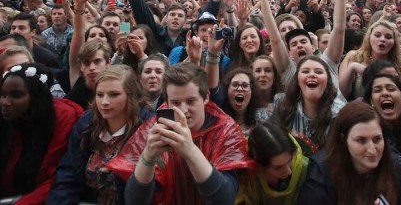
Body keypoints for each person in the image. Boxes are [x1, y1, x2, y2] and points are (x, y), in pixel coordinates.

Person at [107, 62, 253, 204]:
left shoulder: (225, 130)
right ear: (167, 101)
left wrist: (190, 151)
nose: (183, 110)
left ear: (206, 97)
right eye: (175, 103)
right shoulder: (154, 129)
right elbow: (135, 201)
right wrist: (148, 157)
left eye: (190, 101)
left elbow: (224, 199)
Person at [47, 65, 152, 204]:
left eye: (114, 94)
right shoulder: (86, 124)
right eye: (100, 94)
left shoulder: (147, 127)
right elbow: (69, 175)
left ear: (131, 95)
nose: (105, 102)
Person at [298, 101, 401, 204]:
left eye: (377, 139)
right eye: (361, 140)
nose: (372, 150)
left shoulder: (397, 166)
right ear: (344, 140)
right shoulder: (322, 171)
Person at [0, 63, 82, 203]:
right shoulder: (6, 118)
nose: (5, 102)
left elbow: (60, 178)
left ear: (36, 96)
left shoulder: (63, 118)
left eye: (16, 95)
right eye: (3, 95)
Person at [273, 56, 343, 155]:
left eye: (318, 72)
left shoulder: (340, 113)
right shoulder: (281, 104)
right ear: (297, 80)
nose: (312, 75)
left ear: (328, 81)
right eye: (305, 71)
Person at [236, 121, 309, 205]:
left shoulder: (305, 171)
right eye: (278, 168)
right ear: (260, 166)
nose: (288, 171)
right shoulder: (246, 174)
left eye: (290, 161)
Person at [340, 19, 401, 99]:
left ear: (394, 42)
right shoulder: (353, 57)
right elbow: (342, 95)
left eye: (388, 37)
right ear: (369, 38)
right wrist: (352, 67)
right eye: (377, 35)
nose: (382, 39)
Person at [222, 68, 258, 137]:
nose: (239, 89)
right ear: (227, 89)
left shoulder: (259, 122)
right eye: (235, 85)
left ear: (252, 91)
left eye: (245, 86)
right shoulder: (219, 123)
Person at [252, 55, 283, 121]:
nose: (263, 74)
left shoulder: (283, 103)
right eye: (258, 71)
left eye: (268, 70)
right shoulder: (245, 106)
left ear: (274, 76)